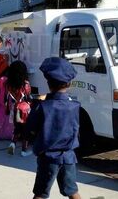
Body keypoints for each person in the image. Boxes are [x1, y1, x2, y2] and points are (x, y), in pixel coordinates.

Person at [27, 57, 81, 199]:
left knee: (40, 193)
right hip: (68, 156)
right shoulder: (75, 106)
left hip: (48, 157)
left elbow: (31, 129)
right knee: (72, 191)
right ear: (69, 84)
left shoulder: (41, 107)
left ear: (48, 83)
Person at [6, 60, 33, 157]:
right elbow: (28, 97)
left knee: (17, 128)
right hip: (24, 110)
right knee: (26, 130)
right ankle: (24, 150)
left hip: (14, 109)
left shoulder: (9, 84)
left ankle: (12, 144)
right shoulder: (25, 84)